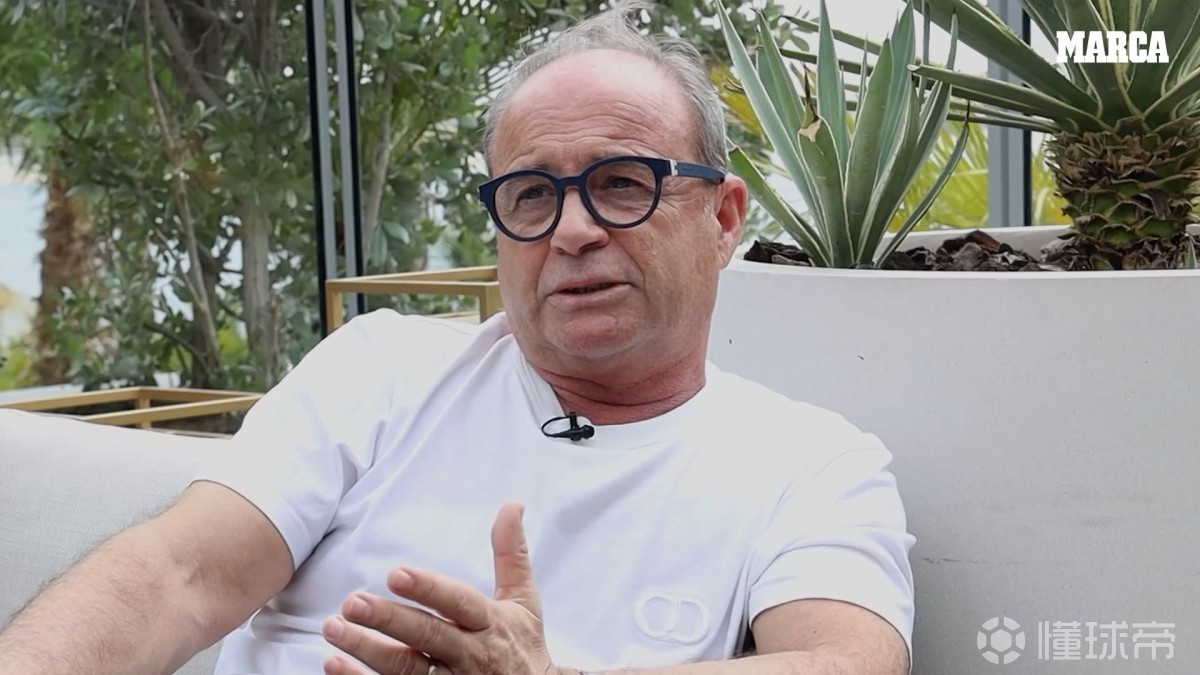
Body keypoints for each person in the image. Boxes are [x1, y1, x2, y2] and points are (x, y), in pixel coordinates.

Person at [0, 2, 915, 674]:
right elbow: (177, 573)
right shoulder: (382, 371)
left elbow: (845, 660)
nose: (572, 230)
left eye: (621, 183)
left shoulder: (810, 463)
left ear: (722, 218)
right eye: (531, 194)